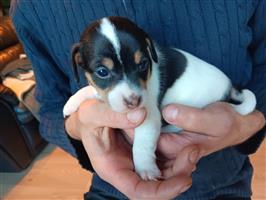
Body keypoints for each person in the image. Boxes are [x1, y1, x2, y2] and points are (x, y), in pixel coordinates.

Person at [10, 1, 265, 199]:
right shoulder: (31, 7)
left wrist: (247, 125)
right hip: (112, 188)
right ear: (78, 63)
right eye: (103, 72)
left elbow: (148, 118)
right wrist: (76, 127)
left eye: (141, 65)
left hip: (222, 183)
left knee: (152, 114)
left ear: (149, 50)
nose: (132, 95)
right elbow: (51, 109)